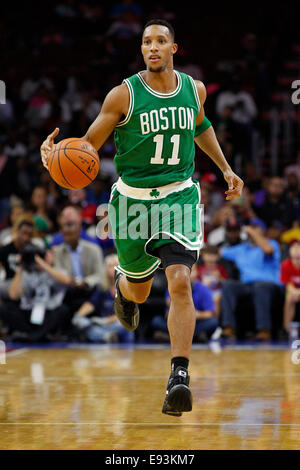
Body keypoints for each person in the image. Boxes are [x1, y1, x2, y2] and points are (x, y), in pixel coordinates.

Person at [40, 19, 243, 416]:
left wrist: (225, 168)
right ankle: (124, 287)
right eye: (147, 42)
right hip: (132, 203)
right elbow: (87, 148)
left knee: (180, 281)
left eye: (160, 41)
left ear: (173, 48)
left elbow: (201, 126)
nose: (152, 47)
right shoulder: (123, 95)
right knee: (140, 291)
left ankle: (179, 376)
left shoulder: (193, 90)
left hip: (179, 197)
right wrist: (55, 159)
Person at [221, 222, 281, 340]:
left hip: (269, 286)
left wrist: (251, 231)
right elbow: (217, 252)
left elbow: (268, 250)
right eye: (250, 229)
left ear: (262, 232)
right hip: (247, 285)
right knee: (228, 285)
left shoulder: (272, 244)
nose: (251, 231)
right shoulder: (241, 249)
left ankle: (264, 330)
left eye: (255, 229)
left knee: (260, 287)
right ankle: (228, 328)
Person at [72, 254, 134, 343]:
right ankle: (106, 336)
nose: (113, 268)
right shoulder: (103, 288)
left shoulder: (128, 288)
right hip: (102, 326)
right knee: (83, 323)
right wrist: (78, 315)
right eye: (110, 266)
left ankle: (101, 336)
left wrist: (105, 321)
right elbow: (91, 304)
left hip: (117, 324)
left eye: (115, 265)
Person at [152, 264, 220, 343]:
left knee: (213, 322)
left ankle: (175, 338)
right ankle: (194, 337)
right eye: (184, 271)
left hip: (196, 323)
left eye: (191, 271)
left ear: (196, 273)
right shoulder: (172, 287)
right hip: (178, 323)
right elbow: (167, 314)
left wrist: (196, 314)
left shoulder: (203, 289)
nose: (188, 275)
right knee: (156, 321)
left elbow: (209, 314)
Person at [281, 240, 300, 331]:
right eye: (293, 247)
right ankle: (287, 329)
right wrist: (295, 293)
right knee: (289, 298)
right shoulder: (285, 265)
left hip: (298, 292)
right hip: (292, 292)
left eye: (298, 247)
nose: (296, 250)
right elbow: (288, 284)